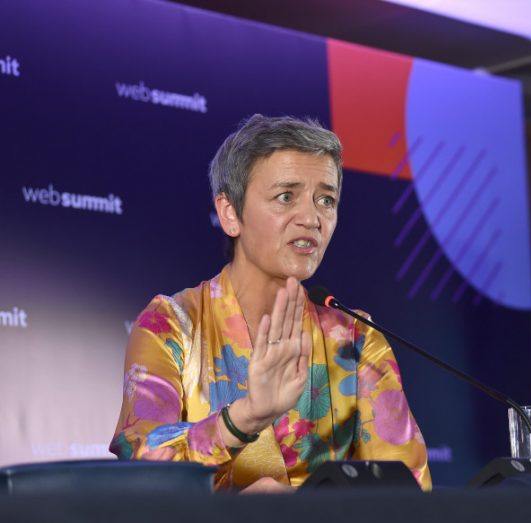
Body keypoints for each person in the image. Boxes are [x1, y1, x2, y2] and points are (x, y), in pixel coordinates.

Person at [110, 115, 431, 493]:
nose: (312, 218)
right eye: (285, 197)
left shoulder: (356, 340)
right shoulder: (172, 325)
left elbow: (408, 492)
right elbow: (142, 471)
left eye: (326, 200)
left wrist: (301, 511)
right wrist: (244, 418)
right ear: (230, 213)